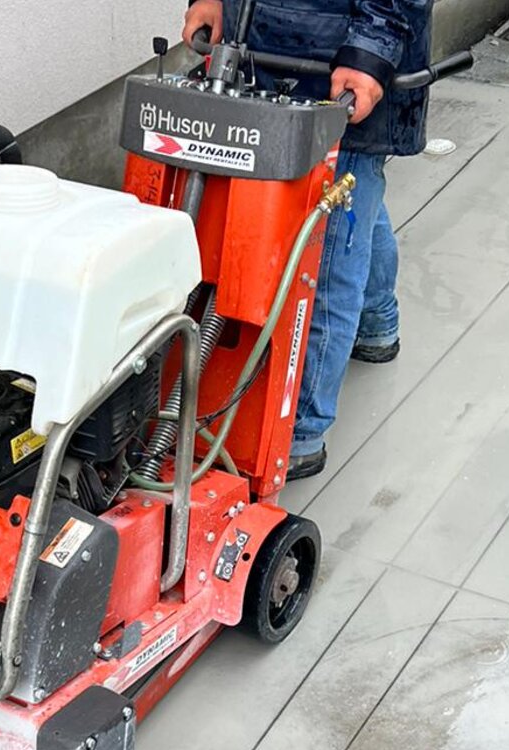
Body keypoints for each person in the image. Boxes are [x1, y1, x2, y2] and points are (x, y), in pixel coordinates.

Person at [183, 0, 431, 480]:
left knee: (329, 253)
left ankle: (300, 431)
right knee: (356, 213)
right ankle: (378, 322)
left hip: (347, 65)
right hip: (263, 52)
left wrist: (369, 53)